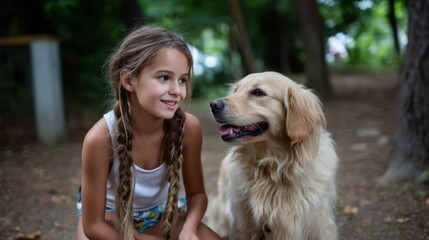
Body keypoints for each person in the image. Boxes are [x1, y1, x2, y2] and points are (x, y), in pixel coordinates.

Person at [75, 25, 222, 240]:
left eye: (182, 79)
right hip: (109, 224)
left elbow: (197, 194)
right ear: (128, 80)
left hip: (162, 217)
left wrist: (189, 229)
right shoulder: (100, 139)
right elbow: (94, 225)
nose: (177, 90)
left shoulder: (189, 128)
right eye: (164, 77)